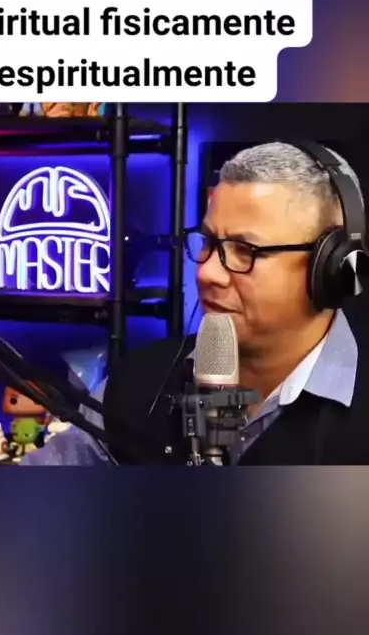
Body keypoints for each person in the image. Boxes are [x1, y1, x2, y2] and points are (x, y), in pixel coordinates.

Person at [22, 141, 369, 465]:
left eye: (245, 250)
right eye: (208, 242)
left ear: (331, 267)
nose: (206, 273)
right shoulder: (136, 384)